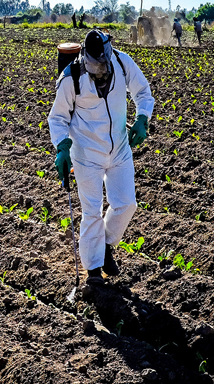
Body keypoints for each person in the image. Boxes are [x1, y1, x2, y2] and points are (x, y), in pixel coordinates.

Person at [48, 29, 154, 284]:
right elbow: (58, 117)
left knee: (127, 203)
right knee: (92, 212)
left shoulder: (121, 61)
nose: (101, 74)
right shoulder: (71, 77)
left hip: (119, 147)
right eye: (95, 69)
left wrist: (142, 119)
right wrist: (62, 147)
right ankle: (94, 271)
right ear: (86, 59)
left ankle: (105, 245)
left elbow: (143, 92)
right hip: (86, 154)